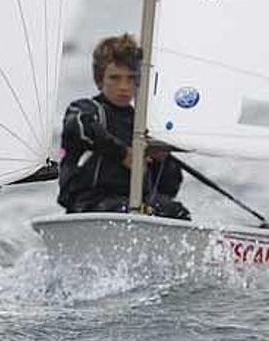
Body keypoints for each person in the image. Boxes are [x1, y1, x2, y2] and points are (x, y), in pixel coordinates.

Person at [58, 33, 190, 220]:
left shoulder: (145, 125)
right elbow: (80, 127)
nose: (124, 87)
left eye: (131, 78)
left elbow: (169, 189)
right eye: (115, 78)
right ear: (99, 78)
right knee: (127, 210)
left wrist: (162, 160)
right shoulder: (83, 110)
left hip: (134, 207)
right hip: (89, 206)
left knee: (176, 211)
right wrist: (124, 154)